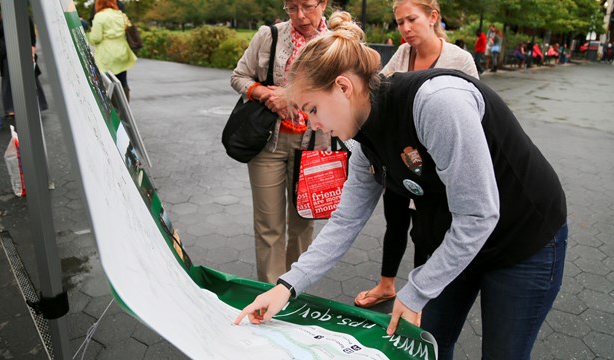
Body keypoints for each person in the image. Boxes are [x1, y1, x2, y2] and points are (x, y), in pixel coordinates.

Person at [234, 11, 568, 360]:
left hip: (524, 238)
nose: (312, 124)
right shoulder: (362, 141)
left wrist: (417, 288)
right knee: (429, 346)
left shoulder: (437, 103)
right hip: (455, 242)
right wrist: (287, 286)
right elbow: (346, 221)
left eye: (312, 109)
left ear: (343, 87)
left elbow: (479, 214)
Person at [353, 0, 478, 309]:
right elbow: (379, 97)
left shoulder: (458, 59)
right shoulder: (403, 55)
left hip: (436, 169)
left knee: (427, 234)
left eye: (412, 19)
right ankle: (386, 285)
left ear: (433, 17)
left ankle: (419, 297)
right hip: (400, 160)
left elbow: (473, 117)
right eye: (400, 22)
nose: (405, 28)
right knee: (394, 223)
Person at [229, 0, 331, 284]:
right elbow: (239, 77)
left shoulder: (335, 43)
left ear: (323, 3)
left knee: (302, 225)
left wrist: (292, 96)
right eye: (292, 7)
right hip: (268, 145)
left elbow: (345, 93)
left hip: (314, 146)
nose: (300, 15)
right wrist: (264, 95)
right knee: (269, 227)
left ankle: (293, 288)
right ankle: (270, 293)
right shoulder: (269, 35)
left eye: (308, 6)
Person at [0, 14, 48, 126]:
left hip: (24, 49)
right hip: (6, 53)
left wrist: (32, 52)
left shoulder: (24, 16)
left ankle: (37, 105)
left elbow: (32, 36)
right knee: (8, 79)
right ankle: (11, 109)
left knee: (30, 78)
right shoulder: (2, 17)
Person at [89, 0, 136, 101]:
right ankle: (125, 109)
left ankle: (114, 110)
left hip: (107, 54)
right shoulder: (121, 15)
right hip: (123, 52)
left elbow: (95, 38)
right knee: (122, 81)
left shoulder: (100, 16)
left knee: (108, 82)